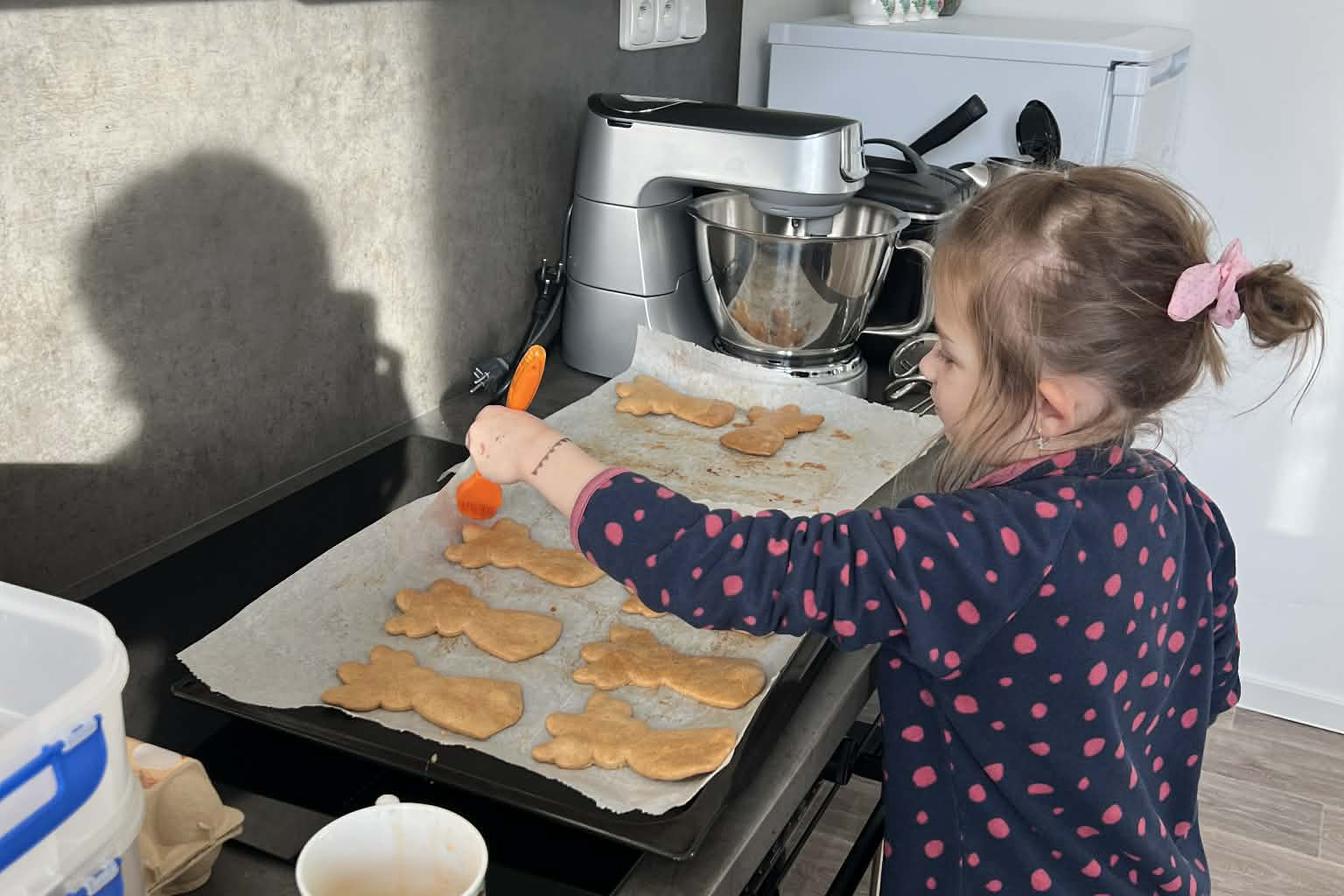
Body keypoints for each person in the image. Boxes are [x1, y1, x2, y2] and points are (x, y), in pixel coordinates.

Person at [464, 167, 1323, 895]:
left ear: (1048, 407)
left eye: (947, 351)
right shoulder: (1178, 505)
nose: (922, 364)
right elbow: (1208, 692)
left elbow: (720, 566)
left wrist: (543, 454)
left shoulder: (971, 547)